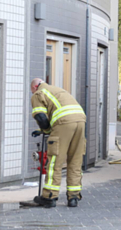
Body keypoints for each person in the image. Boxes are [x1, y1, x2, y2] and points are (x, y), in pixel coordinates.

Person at [29, 78, 86, 208]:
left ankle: (50, 196)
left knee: (55, 161)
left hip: (64, 123)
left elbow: (41, 117)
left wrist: (46, 130)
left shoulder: (38, 93)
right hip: (80, 122)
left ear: (34, 87)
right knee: (75, 160)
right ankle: (73, 197)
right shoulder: (58, 90)